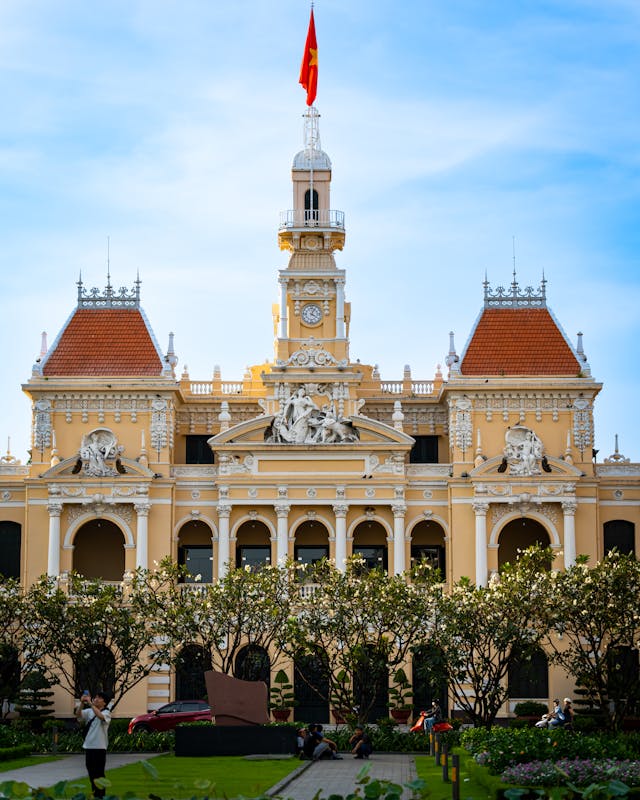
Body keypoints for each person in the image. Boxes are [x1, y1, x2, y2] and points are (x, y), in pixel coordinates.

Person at [75, 691, 113, 798]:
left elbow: (100, 716)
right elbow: (78, 715)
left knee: (99, 774)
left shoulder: (107, 713)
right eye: (95, 697)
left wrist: (91, 704)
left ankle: (101, 795)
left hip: (100, 748)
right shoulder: (89, 711)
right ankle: (95, 794)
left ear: (104, 703)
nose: (95, 699)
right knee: (91, 773)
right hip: (89, 747)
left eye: (99, 698)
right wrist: (82, 703)